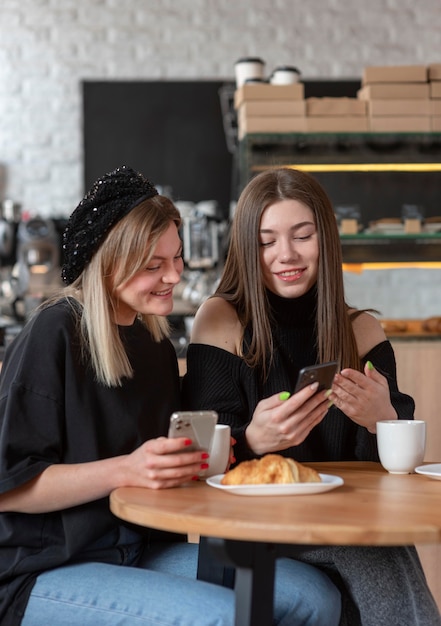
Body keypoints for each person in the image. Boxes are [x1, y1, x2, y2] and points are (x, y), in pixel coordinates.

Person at [0, 165, 341, 626]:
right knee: (225, 617)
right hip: (45, 567)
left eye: (176, 258)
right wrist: (127, 470)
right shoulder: (55, 331)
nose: (174, 276)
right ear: (109, 264)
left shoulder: (156, 345)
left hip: (138, 549)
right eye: (153, 266)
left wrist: (251, 439)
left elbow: (181, 462)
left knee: (313, 597)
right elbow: (11, 488)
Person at [183, 167, 441, 626]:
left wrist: (381, 419)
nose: (286, 255)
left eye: (303, 236)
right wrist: (255, 440)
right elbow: (199, 459)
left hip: (343, 518)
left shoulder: (361, 330)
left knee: (375, 543)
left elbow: (395, 472)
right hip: (247, 525)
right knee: (375, 551)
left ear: (326, 239)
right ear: (246, 248)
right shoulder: (220, 320)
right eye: (266, 242)